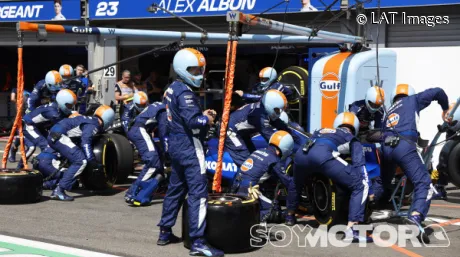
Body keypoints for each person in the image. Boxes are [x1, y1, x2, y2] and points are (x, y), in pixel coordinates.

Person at [157, 48, 223, 257]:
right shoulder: (185, 92)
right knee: (199, 194)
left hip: (176, 146)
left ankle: (165, 231)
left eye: (200, 69)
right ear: (182, 68)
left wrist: (199, 115)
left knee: (175, 190)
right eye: (194, 70)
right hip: (189, 147)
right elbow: (194, 122)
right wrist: (208, 118)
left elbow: (180, 117)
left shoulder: (172, 88)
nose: (199, 74)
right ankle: (198, 241)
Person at [377, 84, 449, 230]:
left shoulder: (388, 112)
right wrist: (445, 109)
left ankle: (368, 204)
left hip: (386, 148)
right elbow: (438, 92)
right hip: (403, 145)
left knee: (382, 182)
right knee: (424, 182)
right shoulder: (413, 100)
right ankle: (416, 215)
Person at [294, 112, 372, 242]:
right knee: (360, 185)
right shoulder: (351, 137)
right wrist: (369, 188)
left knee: (295, 184)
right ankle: (352, 229)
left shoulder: (320, 130)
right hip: (324, 157)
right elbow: (360, 165)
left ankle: (290, 214)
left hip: (301, 156)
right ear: (355, 128)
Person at [47, 105, 115, 201]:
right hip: (60, 136)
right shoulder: (94, 125)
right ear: (108, 119)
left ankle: (50, 184)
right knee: (81, 161)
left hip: (56, 134)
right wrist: (93, 163)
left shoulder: (90, 119)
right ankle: (59, 190)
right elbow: (85, 142)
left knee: (72, 161)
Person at [232, 130, 298, 225]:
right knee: (274, 211)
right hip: (249, 192)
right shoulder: (274, 160)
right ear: (286, 149)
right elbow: (288, 182)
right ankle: (249, 219)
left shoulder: (258, 151)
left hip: (235, 188)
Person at [225, 89, 291, 167]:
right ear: (270, 106)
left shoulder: (265, 110)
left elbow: (282, 126)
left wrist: (292, 134)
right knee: (248, 164)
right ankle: (243, 178)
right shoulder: (260, 117)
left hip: (241, 133)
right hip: (231, 131)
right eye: (277, 110)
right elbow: (272, 139)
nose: (279, 113)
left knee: (254, 158)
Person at [18, 89, 76, 169]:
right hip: (28, 126)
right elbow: (63, 125)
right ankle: (30, 167)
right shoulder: (54, 113)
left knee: (53, 144)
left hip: (38, 127)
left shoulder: (56, 107)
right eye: (69, 106)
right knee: (46, 146)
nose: (70, 108)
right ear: (62, 102)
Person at [125, 101, 168, 206]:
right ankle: (133, 192)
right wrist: (167, 150)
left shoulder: (158, 104)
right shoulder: (164, 109)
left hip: (137, 128)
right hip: (140, 130)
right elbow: (163, 132)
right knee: (153, 160)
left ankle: (156, 185)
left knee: (158, 157)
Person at [8, 89, 30, 162]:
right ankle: (13, 152)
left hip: (28, 115)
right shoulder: (16, 89)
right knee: (19, 136)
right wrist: (20, 102)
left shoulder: (30, 90)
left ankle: (24, 156)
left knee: (27, 136)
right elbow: (12, 98)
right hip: (20, 115)